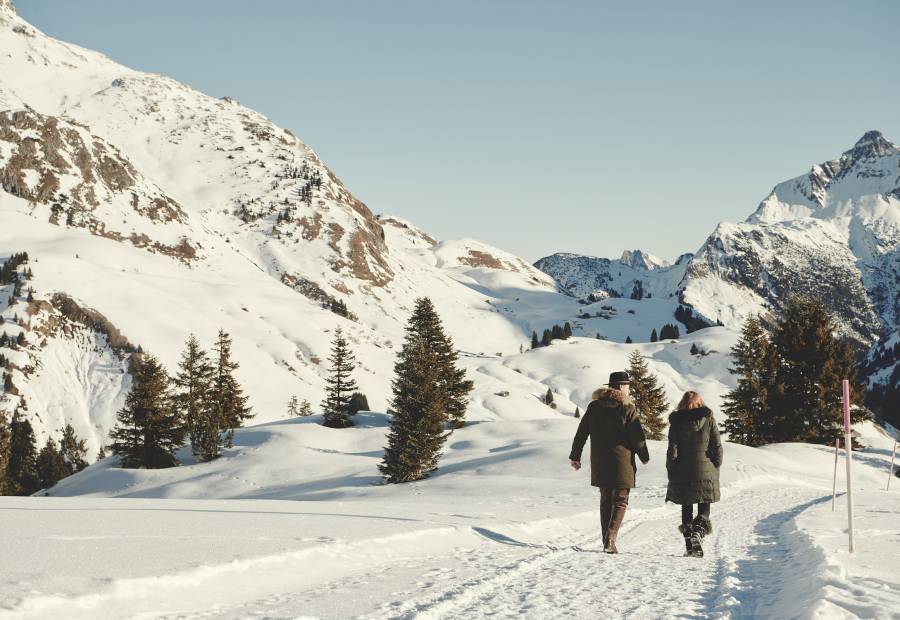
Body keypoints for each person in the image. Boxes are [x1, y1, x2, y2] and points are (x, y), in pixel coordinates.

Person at [569, 371, 650, 554]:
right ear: (621, 387)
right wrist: (644, 456)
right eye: (627, 385)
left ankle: (607, 539)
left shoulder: (594, 406)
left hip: (599, 461)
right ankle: (610, 538)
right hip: (622, 461)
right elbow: (637, 437)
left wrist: (575, 456)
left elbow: (581, 433)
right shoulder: (627, 407)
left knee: (606, 499)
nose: (629, 389)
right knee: (620, 500)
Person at [665, 390, 723, 557]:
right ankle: (698, 531)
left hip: (683, 470)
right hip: (706, 470)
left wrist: (671, 469)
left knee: (686, 506)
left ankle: (690, 545)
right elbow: (717, 446)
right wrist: (716, 464)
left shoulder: (676, 423)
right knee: (704, 504)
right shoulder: (709, 420)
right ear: (700, 403)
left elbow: (672, 451)